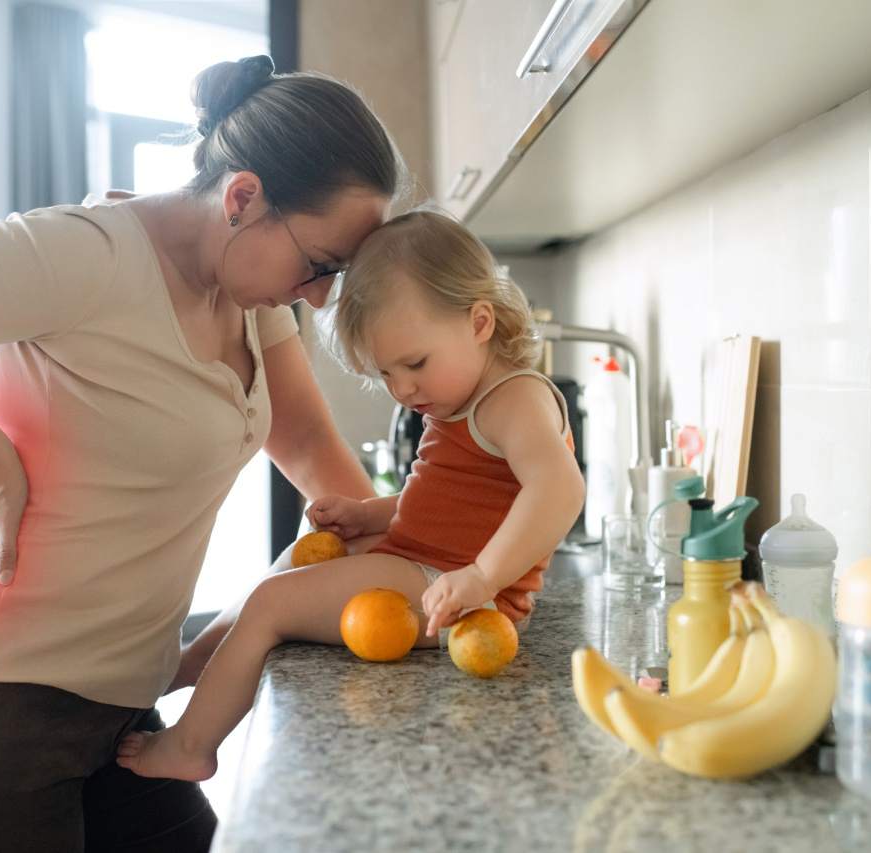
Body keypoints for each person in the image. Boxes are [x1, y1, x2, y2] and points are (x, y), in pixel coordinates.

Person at [0, 55, 404, 852]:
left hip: (113, 709)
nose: (318, 293)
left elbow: (312, 447)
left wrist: (410, 555)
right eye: (317, 265)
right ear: (242, 197)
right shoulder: (89, 253)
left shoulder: (247, 295)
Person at [113, 210, 587, 783]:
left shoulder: (514, 399)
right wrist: (368, 514)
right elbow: (443, 498)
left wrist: (483, 577)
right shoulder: (455, 397)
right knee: (291, 564)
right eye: (386, 373)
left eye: (414, 364)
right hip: (428, 569)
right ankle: (196, 665)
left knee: (271, 607)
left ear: (480, 322)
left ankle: (192, 745)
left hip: (461, 603)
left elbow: (560, 488)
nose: (404, 388)